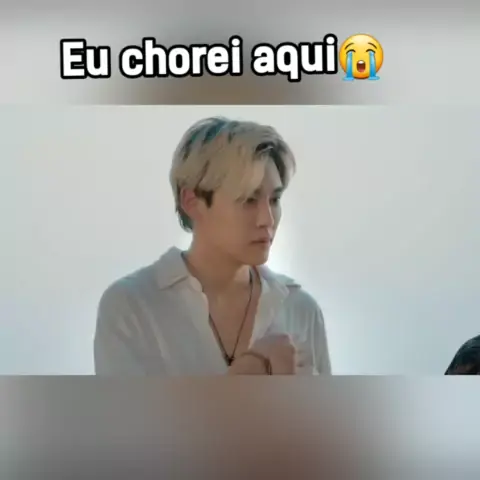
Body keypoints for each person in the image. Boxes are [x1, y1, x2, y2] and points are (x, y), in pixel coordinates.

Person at [94, 116, 331, 375]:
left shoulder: (300, 310)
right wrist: (247, 374)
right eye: (248, 199)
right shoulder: (131, 306)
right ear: (192, 202)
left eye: (274, 199)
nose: (268, 219)